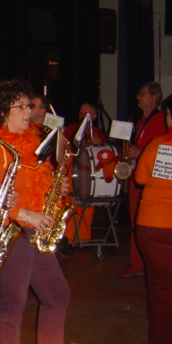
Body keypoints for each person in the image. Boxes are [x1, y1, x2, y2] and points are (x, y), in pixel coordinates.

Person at [0, 79, 88, 344]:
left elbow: (38, 184)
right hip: (13, 233)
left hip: (36, 231)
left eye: (29, 105)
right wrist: (27, 215)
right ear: (4, 111)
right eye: (22, 106)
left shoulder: (35, 146)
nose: (29, 111)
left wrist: (56, 188)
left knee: (57, 294)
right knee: (12, 301)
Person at [134, 91, 172, 344]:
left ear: (169, 116)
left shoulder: (157, 145)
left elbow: (139, 179)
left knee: (161, 289)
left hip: (154, 224)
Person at [119, 81, 167, 278]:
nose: (138, 97)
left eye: (142, 94)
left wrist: (140, 153)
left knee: (143, 224)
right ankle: (137, 262)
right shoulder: (140, 122)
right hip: (137, 177)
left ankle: (144, 264)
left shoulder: (161, 120)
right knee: (135, 222)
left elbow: (163, 151)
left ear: (154, 98)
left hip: (150, 181)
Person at [63, 102, 108, 246]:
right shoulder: (71, 129)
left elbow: (104, 155)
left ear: (93, 116)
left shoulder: (98, 133)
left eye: (86, 114)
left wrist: (97, 143)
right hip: (72, 172)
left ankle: (83, 238)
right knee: (70, 204)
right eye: (81, 113)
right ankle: (68, 238)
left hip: (88, 176)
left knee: (87, 207)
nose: (82, 116)